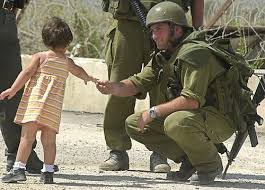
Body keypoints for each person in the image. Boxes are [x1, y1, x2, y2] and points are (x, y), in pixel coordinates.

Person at [96, 1, 236, 185]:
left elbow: (191, 101)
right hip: (196, 117)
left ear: (176, 30)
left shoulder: (195, 53)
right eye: (152, 31)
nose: (153, 37)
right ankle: (190, 160)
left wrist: (152, 112)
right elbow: (138, 82)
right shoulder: (165, 54)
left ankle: (209, 165)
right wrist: (114, 87)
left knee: (175, 121)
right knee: (134, 123)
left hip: (219, 120)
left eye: (159, 30)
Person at [100, 0, 204, 173]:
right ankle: (117, 149)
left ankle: (160, 151)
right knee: (119, 86)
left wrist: (198, 28)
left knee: (164, 88)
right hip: (128, 22)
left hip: (167, 22)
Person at [0, 16, 97, 184]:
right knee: (49, 142)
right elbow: (79, 71)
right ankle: (48, 172)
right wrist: (89, 78)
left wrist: (13, 90)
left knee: (26, 138)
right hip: (52, 110)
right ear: (67, 42)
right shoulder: (67, 62)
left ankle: (18, 169)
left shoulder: (40, 57)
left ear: (46, 40)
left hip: (35, 106)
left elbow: (26, 74)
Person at [0, 0, 57, 174]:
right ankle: (18, 155)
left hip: (5, 16)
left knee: (10, 93)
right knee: (9, 93)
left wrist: (9, 16)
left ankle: (19, 155)